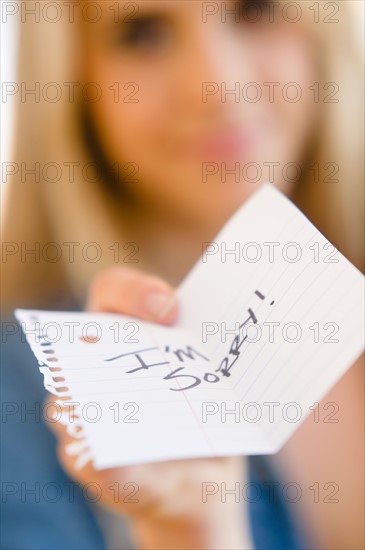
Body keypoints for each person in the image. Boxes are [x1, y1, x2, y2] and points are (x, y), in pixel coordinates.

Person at [1, 1, 364, 548]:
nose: (219, 85)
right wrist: (193, 532)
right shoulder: (22, 403)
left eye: (256, 8)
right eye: (141, 33)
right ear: (71, 83)